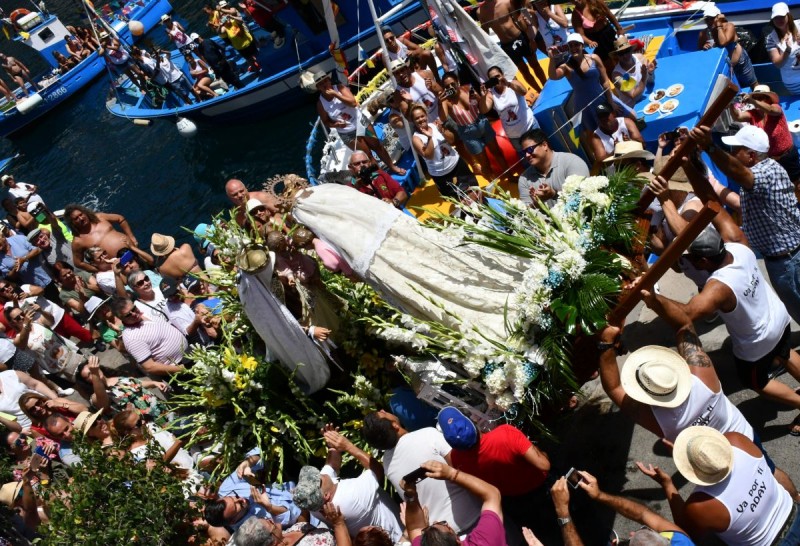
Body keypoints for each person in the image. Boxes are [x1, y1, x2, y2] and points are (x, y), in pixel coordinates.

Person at [293, 183, 530, 340]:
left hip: (389, 260)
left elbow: (341, 264)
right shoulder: (344, 203)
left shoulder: (335, 234)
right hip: (400, 241)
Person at [643, 202, 800, 435]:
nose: (688, 262)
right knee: (786, 353)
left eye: (692, 258)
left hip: (757, 343)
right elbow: (719, 210)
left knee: (757, 383)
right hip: (779, 319)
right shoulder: (737, 244)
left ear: (704, 261)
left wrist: (653, 298)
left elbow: (686, 314)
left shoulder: (718, 288)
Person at [598, 317, 797, 494]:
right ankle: (795, 498)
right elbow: (684, 325)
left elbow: (614, 388)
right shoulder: (703, 376)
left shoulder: (660, 420)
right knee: (769, 470)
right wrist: (656, 302)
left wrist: (606, 344)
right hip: (744, 437)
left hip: (711, 462)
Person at [691, 124, 800, 325]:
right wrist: (707, 176)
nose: (731, 154)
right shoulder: (762, 175)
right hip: (783, 260)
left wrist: (710, 147)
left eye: (735, 150)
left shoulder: (763, 174)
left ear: (751, 156)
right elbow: (739, 202)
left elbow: (735, 171)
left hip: (788, 263)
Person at [640, 426, 800, 544]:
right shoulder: (737, 440)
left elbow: (685, 534)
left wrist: (668, 485)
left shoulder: (700, 505)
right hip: (795, 512)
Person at [361, 409, 482, 533]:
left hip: (443, 534)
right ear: (395, 425)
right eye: (383, 413)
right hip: (475, 516)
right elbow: (462, 466)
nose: (383, 410)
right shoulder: (427, 435)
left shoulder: (388, 466)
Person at [437, 406, 550, 531]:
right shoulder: (505, 434)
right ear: (471, 421)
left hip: (515, 504)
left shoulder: (457, 460)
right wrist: (542, 452)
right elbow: (544, 465)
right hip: (542, 488)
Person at [292, 426, 402, 542]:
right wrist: (348, 446)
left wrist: (332, 445)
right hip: (397, 536)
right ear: (326, 496)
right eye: (318, 480)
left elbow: (331, 466)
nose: (319, 475)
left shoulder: (314, 503)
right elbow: (377, 470)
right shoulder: (351, 497)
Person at [556, 471, 696, 546]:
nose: (631, 534)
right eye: (645, 529)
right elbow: (642, 514)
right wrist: (600, 495)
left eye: (630, 541)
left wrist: (562, 512)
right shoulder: (679, 541)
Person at [314, 71, 405, 176]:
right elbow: (326, 122)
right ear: (318, 87)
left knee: (377, 146)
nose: (325, 84)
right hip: (347, 133)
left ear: (329, 80)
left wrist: (336, 95)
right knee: (367, 156)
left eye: (326, 80)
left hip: (361, 123)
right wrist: (336, 125)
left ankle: (392, 167)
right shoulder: (320, 104)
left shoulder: (339, 88)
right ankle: (382, 177)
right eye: (321, 84)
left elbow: (353, 103)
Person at [402, 459, 506, 546]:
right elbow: (492, 495)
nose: (434, 521)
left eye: (428, 527)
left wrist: (411, 495)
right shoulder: (485, 541)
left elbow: (415, 528)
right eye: (442, 523)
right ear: (457, 540)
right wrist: (451, 474)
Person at [203, 447, 301, 536]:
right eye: (239, 505)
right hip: (305, 511)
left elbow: (259, 453)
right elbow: (294, 517)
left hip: (294, 485)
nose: (242, 499)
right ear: (233, 521)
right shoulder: (250, 530)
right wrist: (269, 507)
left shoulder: (226, 490)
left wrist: (246, 464)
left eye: (235, 497)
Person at [728, 85, 800, 193]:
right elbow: (737, 116)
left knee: (796, 184)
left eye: (760, 98)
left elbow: (771, 110)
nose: (757, 100)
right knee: (780, 186)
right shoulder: (753, 114)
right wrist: (730, 105)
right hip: (771, 160)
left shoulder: (776, 108)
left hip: (787, 156)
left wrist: (752, 101)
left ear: (768, 99)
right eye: (755, 97)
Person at [439, 71, 508, 179]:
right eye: (447, 86)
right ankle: (496, 188)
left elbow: (481, 106)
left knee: (497, 152)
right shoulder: (446, 101)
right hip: (468, 132)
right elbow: (443, 118)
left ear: (457, 82)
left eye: (453, 84)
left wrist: (479, 97)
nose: (451, 87)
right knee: (484, 163)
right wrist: (440, 102)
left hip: (481, 122)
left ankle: (510, 176)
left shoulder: (467, 88)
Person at [410, 104, 480, 202]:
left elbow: (452, 140)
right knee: (461, 201)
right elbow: (428, 156)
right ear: (413, 121)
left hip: (457, 165)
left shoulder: (434, 125)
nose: (421, 119)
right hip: (442, 175)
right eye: (417, 118)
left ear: (426, 115)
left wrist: (442, 130)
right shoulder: (416, 138)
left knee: (475, 190)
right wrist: (430, 138)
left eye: (422, 116)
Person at [547, 33, 615, 135]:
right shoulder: (566, 67)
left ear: (582, 46)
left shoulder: (594, 58)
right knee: (595, 133)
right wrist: (552, 58)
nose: (574, 48)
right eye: (571, 46)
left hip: (601, 98)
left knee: (623, 118)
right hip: (584, 106)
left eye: (576, 45)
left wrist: (611, 101)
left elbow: (605, 81)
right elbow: (553, 76)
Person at [479, 0, 545, 92]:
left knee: (535, 64)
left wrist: (530, 39)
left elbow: (519, 19)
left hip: (520, 37)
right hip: (507, 45)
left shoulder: (505, 2)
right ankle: (539, 91)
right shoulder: (480, 12)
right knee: (524, 71)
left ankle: (546, 85)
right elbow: (484, 32)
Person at [112, 297, 187, 376]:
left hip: (190, 353)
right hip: (179, 368)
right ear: (121, 318)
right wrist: (181, 369)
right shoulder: (131, 338)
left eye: (133, 309)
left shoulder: (144, 314)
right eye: (128, 315)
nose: (134, 314)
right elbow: (150, 367)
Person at [517, 128, 590, 209]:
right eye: (524, 152)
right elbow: (526, 212)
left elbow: (582, 197)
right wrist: (537, 203)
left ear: (545, 145)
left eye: (530, 149)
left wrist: (554, 194)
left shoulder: (572, 162)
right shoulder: (524, 179)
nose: (527, 155)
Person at [478, 65, 538, 151]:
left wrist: (508, 84)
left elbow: (523, 91)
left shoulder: (512, 83)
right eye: (493, 79)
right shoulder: (491, 94)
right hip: (515, 137)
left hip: (530, 127)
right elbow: (484, 110)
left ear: (503, 75)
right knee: (530, 161)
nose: (497, 79)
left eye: (498, 76)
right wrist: (483, 97)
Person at [698, 5, 758, 90]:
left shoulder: (729, 26)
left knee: (753, 84)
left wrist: (719, 26)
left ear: (718, 17)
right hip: (725, 67)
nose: (709, 21)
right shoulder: (703, 34)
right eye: (707, 19)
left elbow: (723, 42)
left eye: (712, 18)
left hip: (740, 63)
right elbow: (700, 50)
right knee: (732, 90)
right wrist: (704, 47)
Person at [66, 204, 138, 273]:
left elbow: (120, 218)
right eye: (76, 218)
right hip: (122, 266)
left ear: (85, 213)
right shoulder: (78, 241)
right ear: (72, 223)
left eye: (81, 214)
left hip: (134, 251)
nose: (81, 218)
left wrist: (131, 237)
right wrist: (100, 270)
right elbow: (78, 263)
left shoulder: (99, 217)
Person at [0, 230, 59, 302]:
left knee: (65, 298)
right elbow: (9, 276)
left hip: (49, 275)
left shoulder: (18, 239)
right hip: (35, 286)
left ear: (3, 237)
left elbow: (37, 249)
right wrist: (15, 269)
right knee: (54, 305)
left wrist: (24, 259)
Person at [570, 0, 624, 68]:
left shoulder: (597, 2)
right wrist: (589, 42)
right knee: (606, 64)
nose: (575, 0)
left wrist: (619, 29)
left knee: (620, 57)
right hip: (596, 41)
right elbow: (581, 35)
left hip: (608, 34)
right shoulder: (575, 15)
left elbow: (609, 15)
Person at [610, 35, 656, 109]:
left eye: (627, 51)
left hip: (646, 99)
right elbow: (634, 96)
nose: (625, 55)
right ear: (617, 56)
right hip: (632, 107)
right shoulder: (618, 75)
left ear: (631, 50)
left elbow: (650, 81)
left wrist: (650, 73)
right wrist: (644, 78)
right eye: (621, 53)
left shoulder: (640, 57)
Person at [391, 59, 442, 124]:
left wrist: (431, 89)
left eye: (402, 70)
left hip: (443, 115)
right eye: (397, 73)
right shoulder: (398, 94)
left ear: (407, 69)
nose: (401, 74)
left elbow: (441, 92)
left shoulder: (423, 74)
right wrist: (410, 102)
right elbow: (409, 118)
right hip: (429, 126)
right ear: (394, 76)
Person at [766, 2, 800, 94]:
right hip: (793, 82)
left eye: (782, 16)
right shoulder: (771, 39)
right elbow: (778, 64)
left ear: (788, 16)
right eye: (775, 18)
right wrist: (787, 51)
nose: (779, 20)